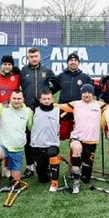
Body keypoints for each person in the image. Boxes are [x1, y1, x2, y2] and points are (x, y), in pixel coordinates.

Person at [58, 83, 105, 194]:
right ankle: (76, 181)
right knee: (77, 148)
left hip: (92, 141)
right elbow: (58, 106)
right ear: (81, 94)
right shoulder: (75, 104)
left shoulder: (99, 104)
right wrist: (43, 104)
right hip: (77, 137)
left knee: (86, 179)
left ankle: (82, 176)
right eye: (84, 92)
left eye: (89, 92)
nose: (86, 94)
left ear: (92, 94)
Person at [20, 47, 58, 179]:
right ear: (28, 58)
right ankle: (30, 166)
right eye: (31, 57)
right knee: (28, 138)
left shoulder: (46, 70)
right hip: (29, 109)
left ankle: (46, 163)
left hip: (43, 108)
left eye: (36, 56)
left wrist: (49, 94)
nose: (34, 58)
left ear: (40, 56)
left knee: (44, 136)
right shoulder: (23, 71)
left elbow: (56, 83)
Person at [29, 90, 62, 192]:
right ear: (40, 100)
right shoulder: (34, 110)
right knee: (42, 180)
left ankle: (55, 182)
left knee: (52, 153)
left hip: (52, 144)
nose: (47, 101)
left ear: (52, 99)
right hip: (37, 145)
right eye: (44, 99)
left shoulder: (58, 111)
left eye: (48, 99)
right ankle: (46, 169)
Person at [57, 52, 93, 141]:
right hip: (64, 110)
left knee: (77, 136)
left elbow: (93, 90)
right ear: (67, 62)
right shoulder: (61, 76)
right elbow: (54, 88)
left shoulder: (85, 77)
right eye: (71, 60)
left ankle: (74, 155)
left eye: (75, 60)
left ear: (78, 62)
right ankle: (55, 154)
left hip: (79, 110)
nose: (73, 62)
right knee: (61, 134)